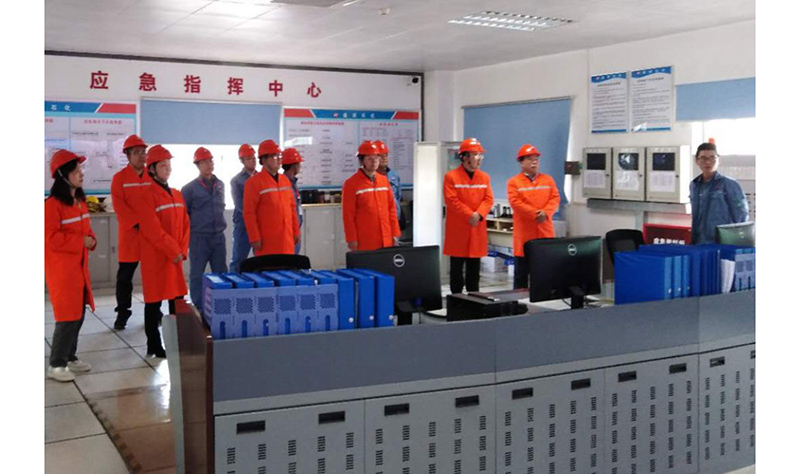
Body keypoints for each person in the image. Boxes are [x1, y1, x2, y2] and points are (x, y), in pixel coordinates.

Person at [45, 150, 97, 382]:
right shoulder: (52, 205)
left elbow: (86, 230)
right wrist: (80, 242)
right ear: (62, 176)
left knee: (78, 313)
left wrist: (91, 239)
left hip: (79, 268)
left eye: (81, 169)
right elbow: (51, 239)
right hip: (63, 271)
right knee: (67, 316)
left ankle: (70, 357)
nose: (81, 174)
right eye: (76, 171)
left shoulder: (80, 202)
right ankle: (56, 364)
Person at [136, 145, 190, 358]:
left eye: (169, 164)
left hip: (175, 258)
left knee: (177, 300)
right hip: (157, 258)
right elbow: (152, 229)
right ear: (152, 169)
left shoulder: (177, 194)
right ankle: (154, 345)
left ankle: (178, 340)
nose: (168, 168)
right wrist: (173, 250)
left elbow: (185, 224)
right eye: (162, 165)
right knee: (153, 303)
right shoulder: (146, 195)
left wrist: (181, 250)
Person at [443, 138, 494, 294]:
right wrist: (469, 214)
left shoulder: (484, 177)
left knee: (474, 273)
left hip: (476, 228)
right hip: (458, 231)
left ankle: (474, 302)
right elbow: (451, 200)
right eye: (475, 154)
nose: (479, 159)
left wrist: (479, 214)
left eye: (480, 155)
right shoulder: (451, 177)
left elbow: (488, 199)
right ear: (464, 157)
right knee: (456, 273)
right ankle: (456, 302)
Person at [110, 134, 150, 330]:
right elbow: (120, 207)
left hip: (152, 236)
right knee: (124, 278)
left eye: (143, 152)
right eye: (136, 152)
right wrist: (138, 223)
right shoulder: (120, 178)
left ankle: (154, 310)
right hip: (130, 236)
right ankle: (123, 312)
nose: (141, 156)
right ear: (128, 155)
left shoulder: (152, 175)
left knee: (153, 276)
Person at [507, 143, 561, 289]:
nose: (534, 162)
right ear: (521, 162)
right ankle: (519, 299)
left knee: (544, 273)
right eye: (530, 159)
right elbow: (515, 203)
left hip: (544, 232)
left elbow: (555, 198)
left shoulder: (548, 180)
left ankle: (544, 297)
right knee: (522, 274)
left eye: (536, 159)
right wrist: (535, 214)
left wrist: (546, 212)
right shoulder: (514, 182)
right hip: (525, 235)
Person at [181, 147, 227, 312]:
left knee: (221, 272)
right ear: (198, 165)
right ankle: (199, 306)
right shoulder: (189, 189)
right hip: (199, 238)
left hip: (218, 237)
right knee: (197, 273)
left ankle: (222, 303)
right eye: (204, 162)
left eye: (210, 161)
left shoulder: (220, 185)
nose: (209, 165)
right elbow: (184, 216)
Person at [243, 140, 300, 255]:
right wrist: (254, 237)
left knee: (288, 266)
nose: (279, 159)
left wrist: (296, 231)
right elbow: (249, 213)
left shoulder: (285, 181)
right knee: (268, 267)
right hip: (267, 242)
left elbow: (292, 208)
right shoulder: (253, 183)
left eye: (279, 155)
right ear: (263, 160)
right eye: (274, 156)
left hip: (287, 240)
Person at [341, 140, 400, 251]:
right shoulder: (351, 184)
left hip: (386, 238)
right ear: (362, 161)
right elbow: (348, 216)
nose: (374, 161)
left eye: (376, 158)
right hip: (365, 240)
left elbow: (391, 210)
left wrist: (395, 233)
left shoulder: (384, 181)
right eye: (369, 158)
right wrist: (351, 239)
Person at [690, 141, 749, 244]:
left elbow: (741, 217)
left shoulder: (729, 184)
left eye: (712, 158)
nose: (708, 162)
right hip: (699, 243)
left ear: (718, 160)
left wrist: (737, 241)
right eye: (703, 158)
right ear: (697, 161)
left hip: (723, 243)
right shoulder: (694, 185)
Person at [229, 144, 257, 272]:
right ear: (242, 161)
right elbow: (239, 204)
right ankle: (235, 283)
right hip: (243, 225)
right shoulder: (236, 181)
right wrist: (253, 215)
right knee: (238, 260)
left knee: (262, 259)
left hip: (260, 225)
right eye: (249, 158)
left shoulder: (262, 177)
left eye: (254, 158)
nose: (253, 161)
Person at [375, 140, 404, 230]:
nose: (384, 158)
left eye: (386, 155)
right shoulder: (370, 176)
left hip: (394, 218)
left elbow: (398, 196)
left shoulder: (394, 175)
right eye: (381, 156)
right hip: (376, 220)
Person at [281, 147, 304, 254]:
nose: (300, 167)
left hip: (295, 229)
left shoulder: (292, 183)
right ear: (294, 165)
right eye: (298, 164)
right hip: (289, 230)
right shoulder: (283, 183)